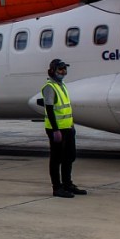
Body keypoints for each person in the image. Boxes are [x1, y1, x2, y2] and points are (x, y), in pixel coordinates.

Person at [41, 59, 86, 198]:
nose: (63, 72)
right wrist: (55, 130)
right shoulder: (50, 87)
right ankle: (57, 188)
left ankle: (68, 184)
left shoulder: (62, 85)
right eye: (60, 69)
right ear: (52, 71)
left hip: (67, 128)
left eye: (64, 69)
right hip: (57, 130)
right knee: (56, 159)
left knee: (69, 157)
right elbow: (49, 109)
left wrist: (71, 125)